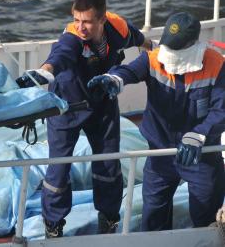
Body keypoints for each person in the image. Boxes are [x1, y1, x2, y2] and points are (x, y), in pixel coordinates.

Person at [16, 0, 152, 237]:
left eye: (87, 21)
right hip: (67, 106)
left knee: (108, 163)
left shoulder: (118, 28)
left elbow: (138, 38)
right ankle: (54, 224)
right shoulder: (72, 37)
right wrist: (44, 72)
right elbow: (59, 56)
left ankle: (109, 218)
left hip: (102, 103)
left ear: (102, 20)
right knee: (59, 168)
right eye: (77, 20)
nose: (81, 27)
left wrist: (155, 49)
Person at [87, 12, 225, 231]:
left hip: (202, 155)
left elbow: (221, 110)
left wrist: (200, 134)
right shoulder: (154, 58)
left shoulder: (216, 64)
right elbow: (130, 71)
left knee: (206, 216)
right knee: (153, 212)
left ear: (192, 46)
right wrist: (114, 78)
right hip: (160, 152)